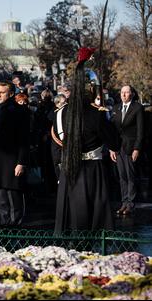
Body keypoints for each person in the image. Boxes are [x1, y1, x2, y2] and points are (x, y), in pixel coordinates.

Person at [55, 48, 120, 234]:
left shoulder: (62, 113)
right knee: (93, 220)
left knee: (72, 219)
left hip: (70, 169)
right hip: (92, 170)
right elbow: (115, 143)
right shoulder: (96, 114)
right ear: (91, 90)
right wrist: (105, 116)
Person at [0, 82, 30, 226]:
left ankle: (16, 233)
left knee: (14, 199)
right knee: (1, 199)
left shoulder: (20, 111)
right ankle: (4, 231)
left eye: (2, 92)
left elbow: (24, 139)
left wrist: (21, 162)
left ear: (11, 94)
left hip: (13, 160)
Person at [110, 85, 144, 216]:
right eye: (122, 92)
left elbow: (141, 131)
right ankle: (124, 202)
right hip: (118, 148)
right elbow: (112, 130)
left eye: (126, 92)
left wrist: (137, 148)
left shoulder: (138, 108)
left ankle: (130, 204)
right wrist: (111, 148)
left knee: (130, 176)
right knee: (122, 176)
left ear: (132, 94)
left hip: (131, 147)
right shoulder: (116, 108)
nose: (123, 95)